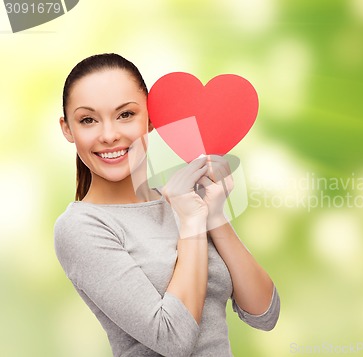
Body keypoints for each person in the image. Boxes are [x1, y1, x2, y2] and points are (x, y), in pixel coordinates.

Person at [54, 53, 280, 357]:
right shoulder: (81, 227)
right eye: (88, 120)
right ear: (67, 128)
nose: (109, 135)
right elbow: (173, 339)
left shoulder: (183, 198)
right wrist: (191, 225)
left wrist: (213, 215)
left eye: (125, 115)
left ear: (149, 119)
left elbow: (265, 313)